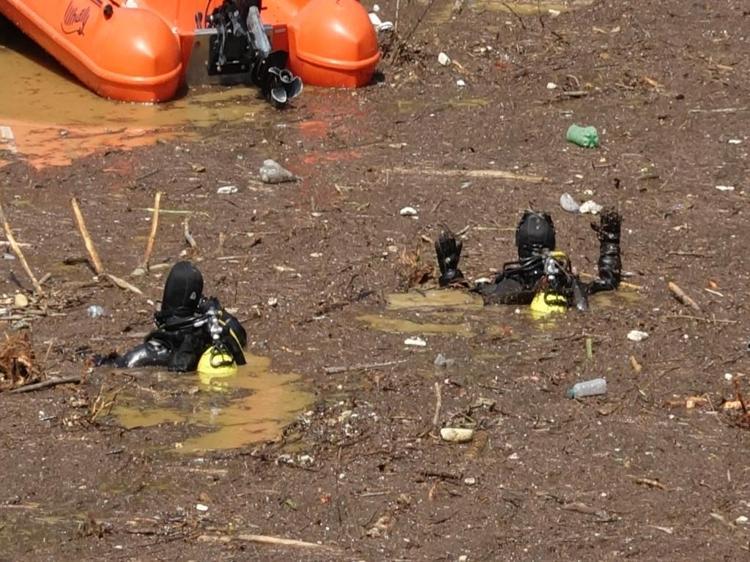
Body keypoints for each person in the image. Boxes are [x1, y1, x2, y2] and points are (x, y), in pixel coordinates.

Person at [434, 208, 622, 313]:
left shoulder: (505, 286)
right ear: (552, 242)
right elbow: (607, 284)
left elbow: (463, 299)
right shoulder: (568, 284)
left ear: (518, 242)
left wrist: (450, 274)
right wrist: (610, 242)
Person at [99, 261, 246, 373]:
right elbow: (240, 336)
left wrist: (101, 362)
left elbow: (121, 366)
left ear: (169, 294)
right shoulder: (213, 333)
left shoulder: (155, 349)